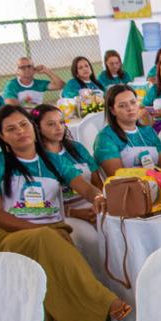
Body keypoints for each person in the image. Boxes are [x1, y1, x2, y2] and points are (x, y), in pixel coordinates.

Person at [0, 104, 133, 321]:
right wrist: (31, 230)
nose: (19, 132)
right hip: (10, 237)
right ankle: (105, 301)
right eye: (10, 129)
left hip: (53, 233)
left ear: (31, 128)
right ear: (2, 136)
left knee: (53, 271)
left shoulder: (53, 160)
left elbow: (85, 187)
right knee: (46, 239)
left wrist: (98, 198)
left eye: (23, 125)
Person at [31, 103, 102, 271]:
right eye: (51, 124)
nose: (59, 127)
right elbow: (42, 202)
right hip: (62, 214)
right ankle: (95, 283)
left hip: (93, 205)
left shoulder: (76, 148)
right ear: (37, 128)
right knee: (90, 238)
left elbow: (97, 182)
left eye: (61, 122)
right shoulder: (36, 159)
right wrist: (75, 212)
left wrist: (97, 204)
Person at [93, 84, 161, 175]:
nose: (130, 108)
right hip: (128, 188)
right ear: (112, 110)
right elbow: (117, 176)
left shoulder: (149, 131)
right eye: (122, 106)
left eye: (133, 102)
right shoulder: (105, 138)